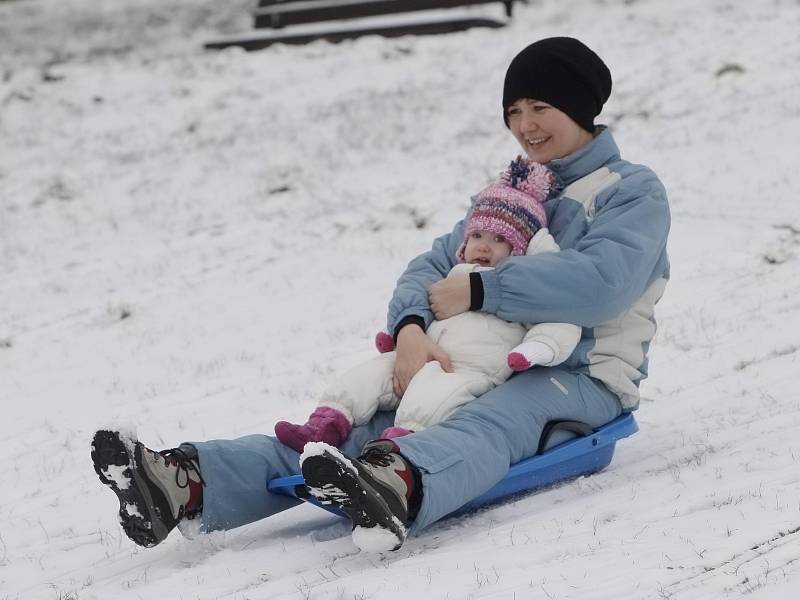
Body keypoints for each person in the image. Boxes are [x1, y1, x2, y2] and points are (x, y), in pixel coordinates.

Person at [91, 36, 670, 553]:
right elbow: (430, 266)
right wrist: (413, 329)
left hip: (578, 375)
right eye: (514, 111)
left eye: (540, 107)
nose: (526, 125)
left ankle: (394, 483)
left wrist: (478, 290)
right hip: (475, 360)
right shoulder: (510, 193)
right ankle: (184, 482)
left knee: (488, 423)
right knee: (346, 429)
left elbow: (602, 286)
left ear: (581, 106)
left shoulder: (631, 192)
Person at [273, 158, 581, 453]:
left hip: (464, 372)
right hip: (421, 355)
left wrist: (533, 351)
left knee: (430, 399)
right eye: (477, 235)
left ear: (523, 249)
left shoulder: (525, 285)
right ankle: (324, 425)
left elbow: (559, 322)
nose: (484, 245)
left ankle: (397, 448)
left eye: (500, 239)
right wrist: (400, 333)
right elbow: (427, 301)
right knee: (367, 376)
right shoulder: (454, 275)